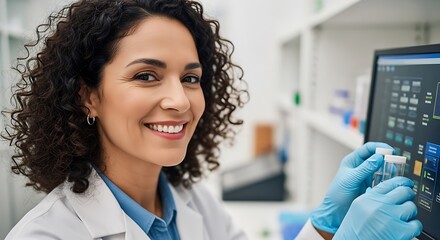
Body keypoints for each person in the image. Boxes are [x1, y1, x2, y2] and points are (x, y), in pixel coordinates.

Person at [2, 0, 422, 239]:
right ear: (88, 96)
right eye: (146, 76)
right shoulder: (48, 236)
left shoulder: (189, 200)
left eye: (190, 78)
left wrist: (324, 226)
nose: (179, 101)